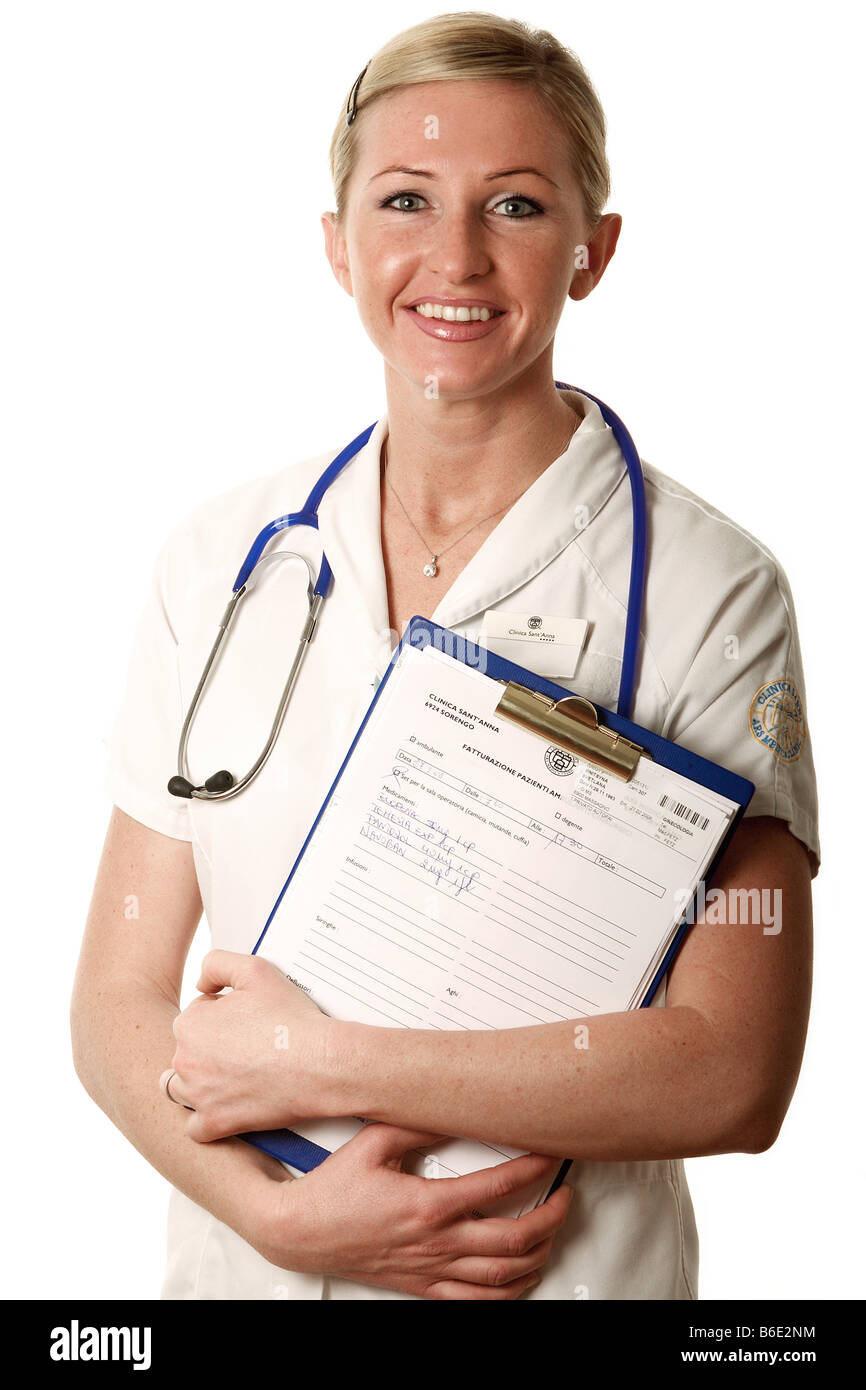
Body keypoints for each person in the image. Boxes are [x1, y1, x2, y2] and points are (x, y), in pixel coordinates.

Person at [71, 11, 818, 1301]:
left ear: (596, 252)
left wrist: (327, 1064)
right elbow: (117, 1001)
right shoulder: (220, 562)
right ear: (336, 243)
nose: (454, 257)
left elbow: (734, 1068)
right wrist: (281, 1222)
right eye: (405, 198)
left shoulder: (710, 591)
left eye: (518, 205)